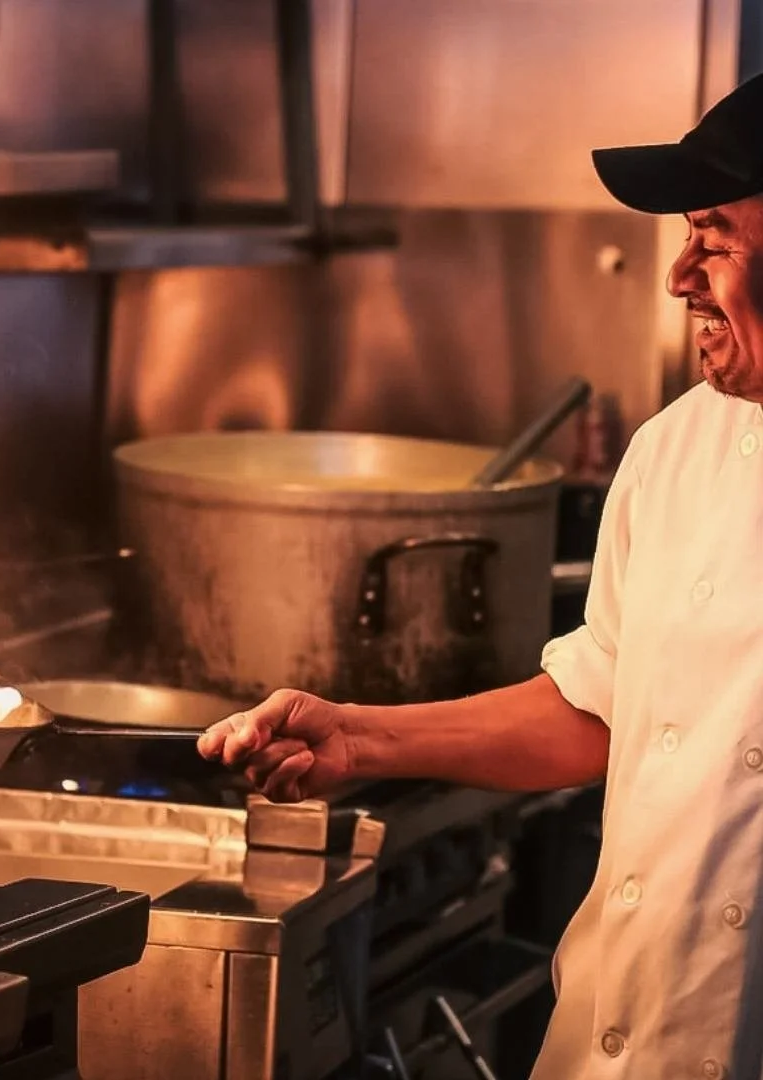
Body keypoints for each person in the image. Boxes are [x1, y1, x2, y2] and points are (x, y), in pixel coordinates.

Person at [198, 71, 763, 1080]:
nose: (679, 275)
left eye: (711, 237)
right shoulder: (678, 448)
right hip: (614, 1032)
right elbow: (601, 709)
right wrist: (360, 734)